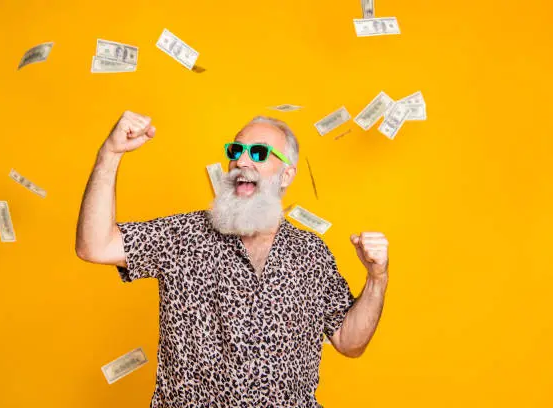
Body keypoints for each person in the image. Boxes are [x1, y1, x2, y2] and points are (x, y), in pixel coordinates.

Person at [75, 110, 390, 407]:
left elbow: (350, 342)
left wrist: (377, 277)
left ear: (286, 175)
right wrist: (111, 153)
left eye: (259, 153)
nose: (241, 159)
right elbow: (95, 245)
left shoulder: (311, 253)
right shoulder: (184, 235)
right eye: (236, 150)